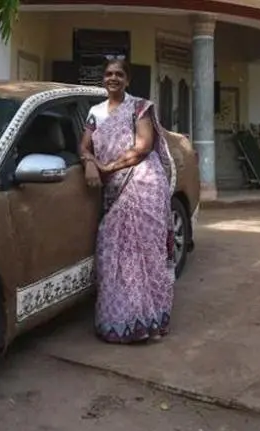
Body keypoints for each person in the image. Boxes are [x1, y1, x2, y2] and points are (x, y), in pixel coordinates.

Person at [78, 58, 177, 344]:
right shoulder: (95, 112)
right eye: (108, 74)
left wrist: (107, 168)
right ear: (103, 79)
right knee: (113, 252)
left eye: (119, 74)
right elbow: (84, 145)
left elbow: (143, 147)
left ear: (128, 80)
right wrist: (88, 162)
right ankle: (119, 322)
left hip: (142, 182)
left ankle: (150, 320)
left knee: (146, 254)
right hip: (113, 189)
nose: (113, 78)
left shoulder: (139, 107)